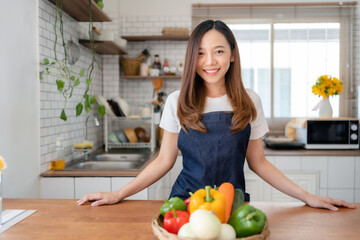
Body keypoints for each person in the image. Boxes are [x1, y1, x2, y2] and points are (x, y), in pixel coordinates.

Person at [77, 20, 356, 211]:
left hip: (233, 207)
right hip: (185, 205)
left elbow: (259, 163)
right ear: (192, 58)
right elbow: (164, 160)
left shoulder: (250, 101)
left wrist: (307, 198)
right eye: (200, 53)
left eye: (218, 51)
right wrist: (118, 194)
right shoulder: (177, 102)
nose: (209, 62)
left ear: (232, 55)